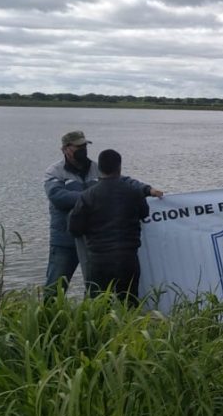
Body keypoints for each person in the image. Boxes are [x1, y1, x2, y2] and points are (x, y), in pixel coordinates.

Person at [43, 130, 161, 296]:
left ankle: (91, 312)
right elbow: (58, 197)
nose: (83, 150)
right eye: (78, 147)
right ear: (65, 149)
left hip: (94, 242)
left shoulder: (97, 168)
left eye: (85, 146)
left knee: (95, 290)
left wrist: (147, 189)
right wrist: (96, 197)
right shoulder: (54, 172)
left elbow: (123, 182)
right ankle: (48, 313)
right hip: (65, 239)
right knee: (55, 287)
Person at [67, 149, 151, 306]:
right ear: (119, 167)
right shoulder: (134, 192)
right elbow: (144, 213)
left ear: (99, 169)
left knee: (99, 306)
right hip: (127, 258)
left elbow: (74, 228)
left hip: (98, 259)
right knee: (129, 303)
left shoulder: (87, 196)